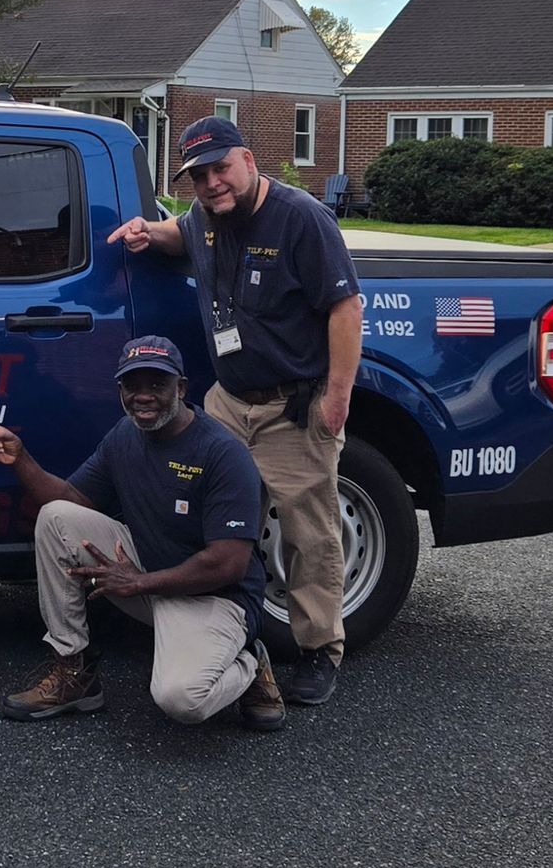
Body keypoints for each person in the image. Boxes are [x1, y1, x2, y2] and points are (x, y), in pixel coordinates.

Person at [104, 116, 363, 706]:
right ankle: (231, 637)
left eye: (221, 168)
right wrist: (150, 232)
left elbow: (345, 308)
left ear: (248, 160)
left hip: (290, 408)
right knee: (210, 522)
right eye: (199, 175)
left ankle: (321, 649)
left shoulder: (301, 217)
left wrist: (338, 396)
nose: (212, 183)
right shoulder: (204, 218)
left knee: (307, 533)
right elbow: (181, 232)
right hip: (226, 403)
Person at [0, 336, 284, 732]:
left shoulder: (221, 453)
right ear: (120, 391)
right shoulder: (124, 437)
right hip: (147, 579)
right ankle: (73, 672)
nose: (143, 396)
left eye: (157, 384)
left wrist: (139, 581)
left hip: (213, 599)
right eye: (133, 386)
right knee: (56, 516)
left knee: (181, 700)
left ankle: (249, 664)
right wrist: (21, 459)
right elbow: (71, 498)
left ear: (181, 389)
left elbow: (229, 564)